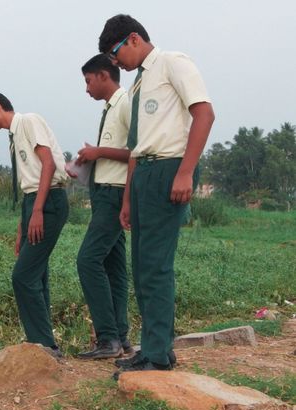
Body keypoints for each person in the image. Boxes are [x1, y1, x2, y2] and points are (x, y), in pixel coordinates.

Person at [98, 14, 214, 373]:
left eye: (116, 55)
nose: (117, 63)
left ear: (134, 39)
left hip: (168, 169)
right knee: (141, 267)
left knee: (156, 268)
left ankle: (157, 356)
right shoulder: (137, 85)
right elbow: (136, 148)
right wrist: (129, 199)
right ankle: (155, 346)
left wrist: (184, 172)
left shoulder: (172, 63)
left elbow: (205, 114)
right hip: (144, 172)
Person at [0, 91, 69, 356]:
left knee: (23, 276)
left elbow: (47, 164)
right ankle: (44, 340)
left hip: (48, 200)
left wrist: (38, 210)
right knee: (36, 273)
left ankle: (44, 344)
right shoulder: (13, 138)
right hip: (33, 202)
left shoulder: (28, 121)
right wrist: (22, 226)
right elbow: (28, 183)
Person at [74, 54, 134, 359]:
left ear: (103, 76)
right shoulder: (110, 108)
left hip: (115, 193)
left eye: (88, 81)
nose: (86, 89)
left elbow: (137, 151)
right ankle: (120, 338)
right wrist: (92, 157)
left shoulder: (125, 103)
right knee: (113, 266)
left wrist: (99, 151)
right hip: (104, 193)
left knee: (87, 260)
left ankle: (107, 338)